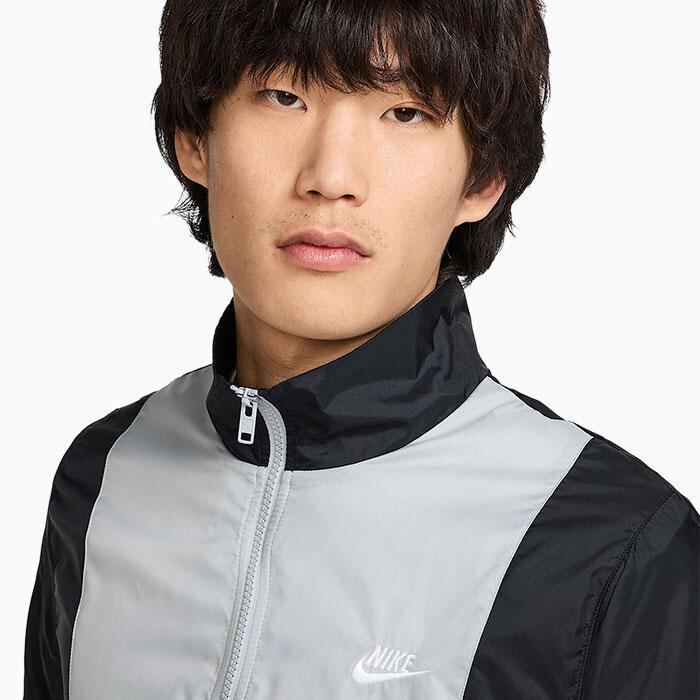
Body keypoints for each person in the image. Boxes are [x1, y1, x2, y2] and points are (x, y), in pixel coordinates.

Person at [24, 1, 699, 698]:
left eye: (404, 112)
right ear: (195, 136)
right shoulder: (104, 477)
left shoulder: (612, 548)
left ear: (483, 178)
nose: (330, 176)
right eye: (283, 96)